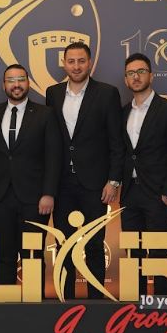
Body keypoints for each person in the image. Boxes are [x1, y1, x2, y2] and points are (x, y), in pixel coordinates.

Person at [46, 42, 124, 299]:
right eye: (71, 61)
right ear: (64, 64)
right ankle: (65, 302)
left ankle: (96, 304)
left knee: (93, 245)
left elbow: (116, 141)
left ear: (90, 63)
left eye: (81, 61)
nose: (76, 66)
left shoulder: (107, 93)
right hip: (62, 184)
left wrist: (113, 180)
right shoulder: (53, 93)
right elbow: (52, 141)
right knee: (64, 245)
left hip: (95, 184)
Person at [0, 64, 61, 289]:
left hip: (34, 199)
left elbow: (53, 157)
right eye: (11, 80)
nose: (16, 85)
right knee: (2, 256)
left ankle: (35, 305)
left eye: (20, 80)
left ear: (28, 83)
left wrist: (48, 193)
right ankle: (4, 305)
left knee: (32, 255)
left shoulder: (45, 114)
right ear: (3, 85)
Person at [120, 53, 167, 297]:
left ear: (151, 76)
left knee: (158, 254)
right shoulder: (122, 112)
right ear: (126, 80)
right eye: (131, 73)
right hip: (129, 193)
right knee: (132, 254)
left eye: (141, 71)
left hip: (157, 193)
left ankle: (160, 306)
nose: (136, 77)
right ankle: (135, 306)